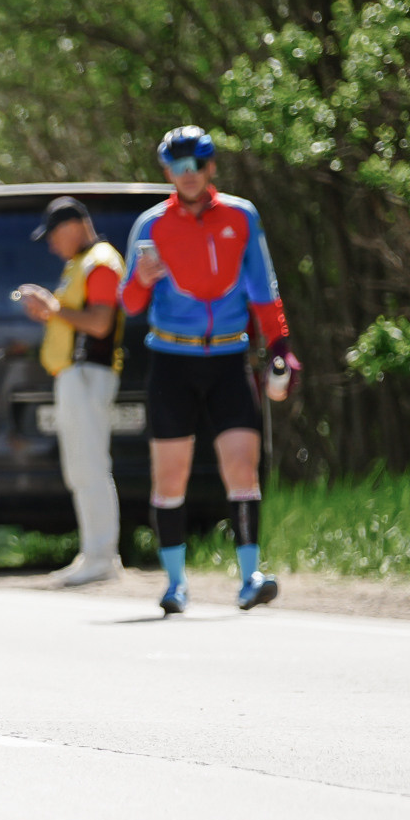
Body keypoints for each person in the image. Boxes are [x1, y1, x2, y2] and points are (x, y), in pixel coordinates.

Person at [121, 126, 298, 614]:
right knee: (170, 478)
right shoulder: (151, 225)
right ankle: (175, 584)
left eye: (197, 164)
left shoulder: (241, 217)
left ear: (211, 167)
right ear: (166, 173)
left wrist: (281, 345)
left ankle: (250, 577)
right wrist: (141, 279)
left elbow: (265, 291)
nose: (188, 175)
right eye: (178, 167)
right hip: (172, 360)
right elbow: (129, 303)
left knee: (242, 467)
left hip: (228, 356)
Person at [15, 197, 127, 588]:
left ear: (75, 225)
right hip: (74, 376)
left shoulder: (100, 262)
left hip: (89, 374)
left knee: (91, 465)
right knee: (80, 466)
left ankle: (101, 556)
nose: (51, 245)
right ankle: (92, 553)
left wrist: (52, 308)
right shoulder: (79, 264)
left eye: (54, 236)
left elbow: (99, 323)